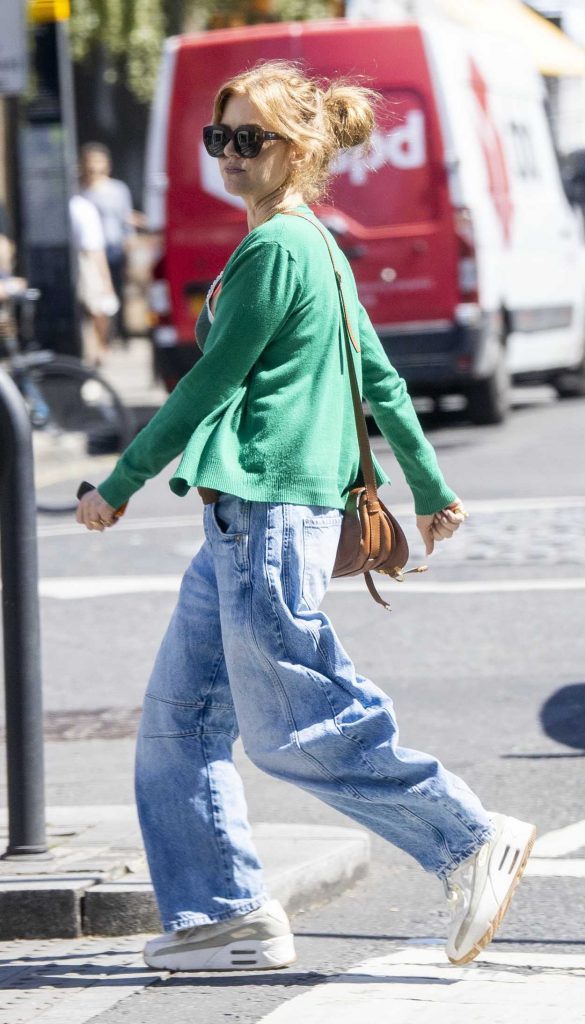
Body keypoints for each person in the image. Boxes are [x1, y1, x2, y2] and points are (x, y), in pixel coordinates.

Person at [76, 61, 535, 973]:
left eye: (253, 139)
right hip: (247, 524)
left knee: (295, 726)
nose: (233, 155)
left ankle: (466, 836)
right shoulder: (316, 247)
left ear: (303, 149)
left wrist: (120, 480)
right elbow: (379, 378)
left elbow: (212, 379)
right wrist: (431, 486)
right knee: (179, 723)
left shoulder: (278, 248)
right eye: (222, 138)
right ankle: (223, 914)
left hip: (268, 517)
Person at [79, 142, 136, 339]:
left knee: (116, 291)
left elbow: (126, 220)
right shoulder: (81, 192)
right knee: (95, 292)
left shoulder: (117, 190)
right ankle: (102, 336)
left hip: (114, 248)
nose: (95, 166)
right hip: (91, 251)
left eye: (99, 161)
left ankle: (119, 332)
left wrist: (129, 246)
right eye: (91, 161)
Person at [69, 193, 119, 366]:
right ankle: (99, 349)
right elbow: (95, 248)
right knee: (96, 309)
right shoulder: (82, 207)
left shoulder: (80, 207)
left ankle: (98, 349)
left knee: (94, 310)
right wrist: (106, 280)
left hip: (84, 261)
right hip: (86, 261)